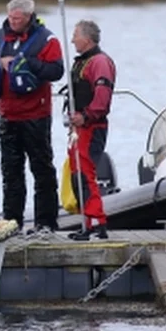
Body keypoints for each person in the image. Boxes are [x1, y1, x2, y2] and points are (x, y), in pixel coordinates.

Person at [0, 0, 65, 231]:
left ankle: (46, 222)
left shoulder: (47, 40)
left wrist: (26, 63)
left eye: (18, 19)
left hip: (36, 115)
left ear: (29, 17)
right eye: (11, 17)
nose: (13, 22)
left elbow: (56, 70)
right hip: (7, 115)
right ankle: (12, 222)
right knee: (10, 172)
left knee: (42, 169)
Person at [66, 19, 115, 241]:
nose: (72, 39)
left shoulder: (100, 62)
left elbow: (102, 99)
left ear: (86, 38)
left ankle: (96, 223)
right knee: (77, 175)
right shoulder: (82, 62)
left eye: (75, 35)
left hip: (91, 127)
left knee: (86, 174)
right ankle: (88, 221)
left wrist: (85, 116)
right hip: (79, 128)